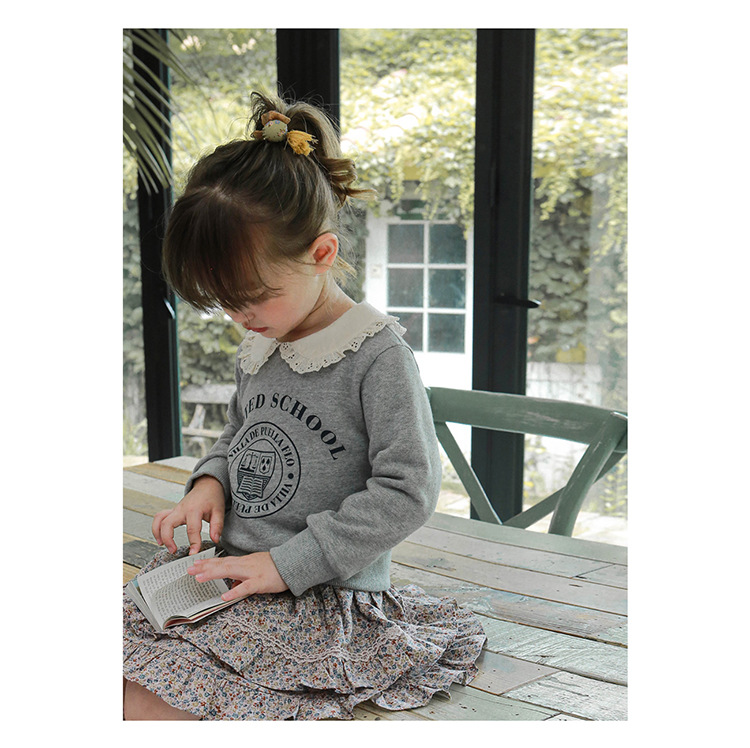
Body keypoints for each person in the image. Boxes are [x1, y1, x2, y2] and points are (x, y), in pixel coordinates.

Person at [123, 92, 486, 721]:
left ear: (322, 254)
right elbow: (239, 432)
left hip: (313, 595)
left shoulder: (376, 356)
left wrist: (285, 564)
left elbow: (407, 491)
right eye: (222, 302)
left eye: (251, 297)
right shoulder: (263, 340)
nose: (238, 317)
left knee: (148, 703)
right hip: (228, 574)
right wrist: (209, 483)